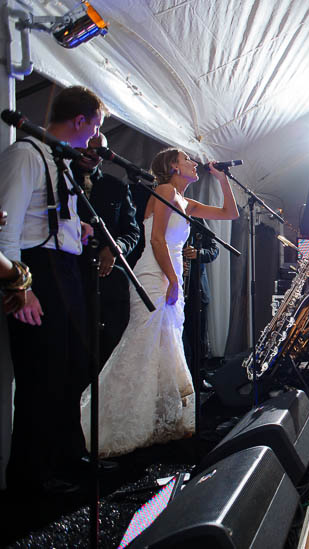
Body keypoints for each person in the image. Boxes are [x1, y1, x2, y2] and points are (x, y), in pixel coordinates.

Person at [79, 148, 239, 457]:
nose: (193, 163)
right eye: (187, 159)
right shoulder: (164, 191)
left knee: (164, 351)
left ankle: (151, 423)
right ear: (172, 166)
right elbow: (156, 240)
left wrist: (222, 179)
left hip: (170, 275)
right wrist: (174, 279)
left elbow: (228, 213)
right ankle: (108, 424)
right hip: (155, 276)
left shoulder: (185, 201)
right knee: (141, 348)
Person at [0, 86, 103, 494]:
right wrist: (19, 287)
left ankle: (65, 455)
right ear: (80, 121)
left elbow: (47, 216)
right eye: (95, 126)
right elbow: (7, 225)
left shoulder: (60, 160)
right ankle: (31, 476)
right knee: (39, 376)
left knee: (73, 365)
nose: (95, 135)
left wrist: (77, 227)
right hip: (35, 269)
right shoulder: (26, 154)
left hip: (65, 267)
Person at [73, 133, 141, 363]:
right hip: (71, 275)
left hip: (108, 281)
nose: (91, 153)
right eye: (87, 147)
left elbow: (132, 232)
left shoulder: (116, 187)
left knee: (108, 348)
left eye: (98, 150)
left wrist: (115, 248)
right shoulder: (59, 179)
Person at [182, 217, 219, 374]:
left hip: (197, 290)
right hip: (172, 289)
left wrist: (198, 253)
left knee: (198, 338)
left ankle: (199, 377)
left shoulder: (196, 219)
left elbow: (214, 249)